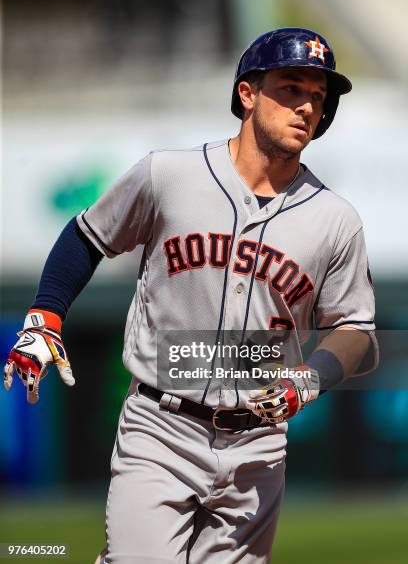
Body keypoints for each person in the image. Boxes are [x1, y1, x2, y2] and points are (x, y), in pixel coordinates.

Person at [4, 28, 378, 564]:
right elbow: (87, 236)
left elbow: (356, 331)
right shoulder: (170, 174)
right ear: (248, 93)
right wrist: (45, 315)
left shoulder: (334, 219)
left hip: (259, 447)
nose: (307, 107)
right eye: (291, 88)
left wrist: (309, 378)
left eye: (319, 96)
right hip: (161, 427)